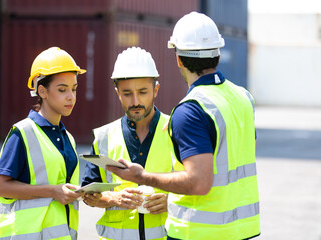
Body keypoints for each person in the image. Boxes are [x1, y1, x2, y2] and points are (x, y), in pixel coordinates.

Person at [106, 12, 261, 240]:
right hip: (241, 229)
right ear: (217, 54)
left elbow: (198, 182)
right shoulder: (243, 97)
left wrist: (142, 176)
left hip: (198, 233)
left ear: (178, 58)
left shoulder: (191, 109)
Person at [81, 47, 177, 240]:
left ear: (155, 90)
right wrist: (113, 198)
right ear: (117, 93)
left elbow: (198, 185)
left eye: (143, 92)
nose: (135, 101)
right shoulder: (104, 136)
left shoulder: (176, 131)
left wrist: (171, 202)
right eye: (127, 93)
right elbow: (88, 195)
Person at [0, 47, 86, 240]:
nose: (71, 96)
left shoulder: (68, 137)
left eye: (74, 89)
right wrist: (53, 191)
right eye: (62, 89)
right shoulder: (23, 133)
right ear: (42, 91)